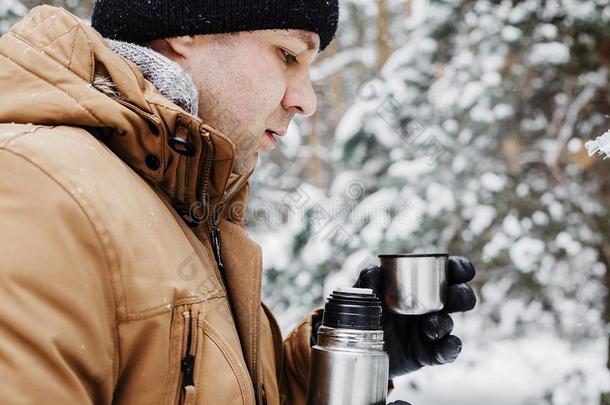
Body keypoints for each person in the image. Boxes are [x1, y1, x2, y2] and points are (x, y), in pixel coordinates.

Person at [0, 1, 476, 404]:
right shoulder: (38, 190)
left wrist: (343, 352)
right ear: (185, 32)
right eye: (288, 54)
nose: (306, 100)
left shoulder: (180, 202)